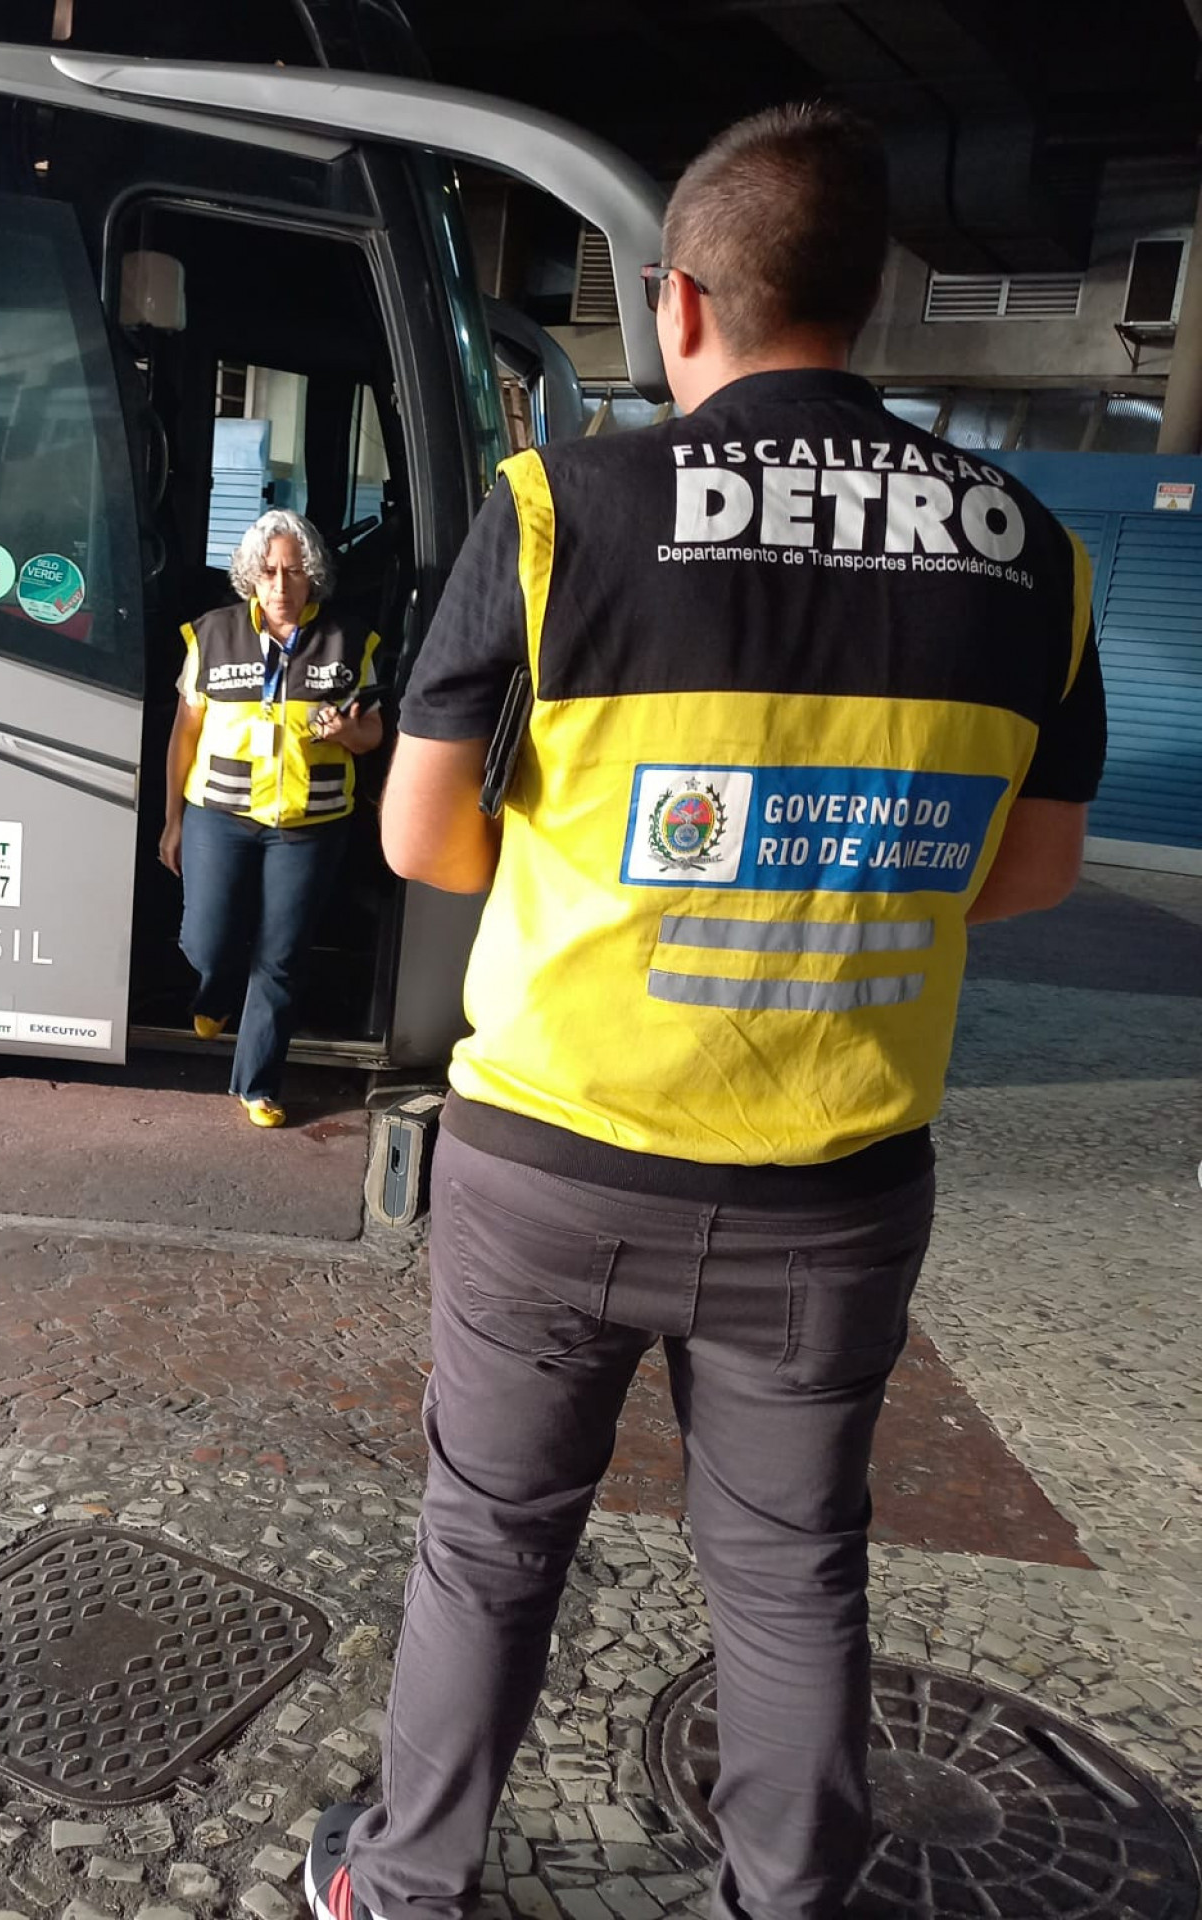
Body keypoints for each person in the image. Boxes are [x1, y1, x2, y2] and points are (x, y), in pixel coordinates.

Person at [303, 105, 1104, 1920]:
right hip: (832, 1191)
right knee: (794, 1567)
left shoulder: (557, 511)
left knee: (491, 1548)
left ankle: (409, 1889)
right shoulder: (1031, 558)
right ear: (872, 299)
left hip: (554, 1168)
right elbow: (1031, 871)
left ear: (680, 306)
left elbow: (427, 841)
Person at [160, 508, 383, 1128]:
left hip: (308, 826)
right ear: (251, 577)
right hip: (220, 815)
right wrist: (172, 819)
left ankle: (257, 1083)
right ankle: (214, 990)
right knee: (206, 939)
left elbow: (374, 734)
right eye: (268, 572)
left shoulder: (349, 642)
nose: (280, 586)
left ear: (311, 576)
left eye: (292, 572)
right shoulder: (211, 635)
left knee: (282, 957)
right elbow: (184, 734)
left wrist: (348, 730)